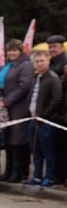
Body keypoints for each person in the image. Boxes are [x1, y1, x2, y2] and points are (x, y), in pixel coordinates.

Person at [24, 51, 63, 187]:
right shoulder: (36, 77)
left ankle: (50, 177)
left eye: (42, 60)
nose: (39, 63)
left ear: (48, 61)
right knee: (35, 150)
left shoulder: (53, 78)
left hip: (46, 121)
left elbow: (57, 98)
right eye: (37, 61)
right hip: (33, 119)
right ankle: (37, 176)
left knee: (48, 150)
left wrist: (45, 115)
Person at [0, 39, 35, 183]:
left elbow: (24, 86)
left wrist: (7, 101)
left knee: (17, 140)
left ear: (21, 51)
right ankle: (8, 170)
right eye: (10, 50)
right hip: (8, 108)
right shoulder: (10, 66)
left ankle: (18, 172)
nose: (12, 53)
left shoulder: (26, 65)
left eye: (15, 50)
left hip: (20, 108)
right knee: (8, 140)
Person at [47, 35, 67, 186]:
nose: (52, 49)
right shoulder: (51, 62)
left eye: (55, 46)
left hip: (61, 109)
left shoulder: (64, 62)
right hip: (54, 111)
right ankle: (59, 175)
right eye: (50, 47)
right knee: (56, 145)